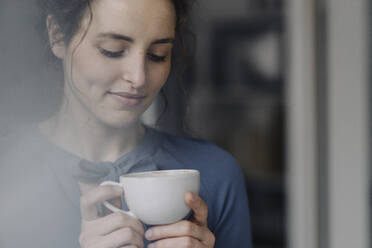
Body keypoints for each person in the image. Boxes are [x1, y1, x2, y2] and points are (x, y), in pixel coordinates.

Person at [0, 0, 252, 247]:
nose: (139, 78)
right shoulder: (7, 169)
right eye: (112, 50)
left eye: (157, 55)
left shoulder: (215, 173)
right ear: (57, 36)